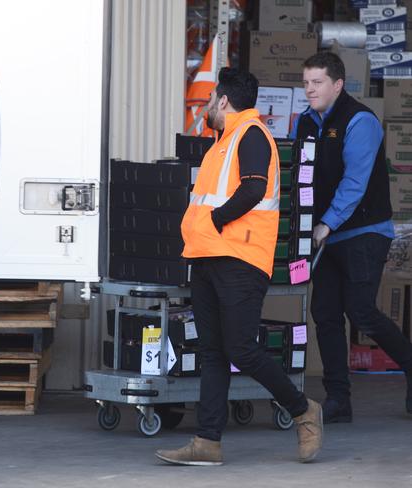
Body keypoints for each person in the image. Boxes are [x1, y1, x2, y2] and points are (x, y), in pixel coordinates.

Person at [155, 68, 323, 466]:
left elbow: (253, 188)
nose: (208, 106)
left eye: (212, 99)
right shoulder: (224, 142)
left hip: (240, 259)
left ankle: (304, 412)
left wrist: (215, 220)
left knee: (242, 350)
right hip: (210, 256)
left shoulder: (250, 135)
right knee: (213, 352)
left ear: (224, 101)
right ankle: (207, 441)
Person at [292, 52, 412, 423]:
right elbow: (301, 176)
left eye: (317, 82)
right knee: (325, 313)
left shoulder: (361, 120)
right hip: (325, 235)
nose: (309, 89)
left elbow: (355, 182)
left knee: (360, 311)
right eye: (306, 82)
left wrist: (326, 224)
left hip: (363, 231)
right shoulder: (305, 122)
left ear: (338, 84)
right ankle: (338, 400)